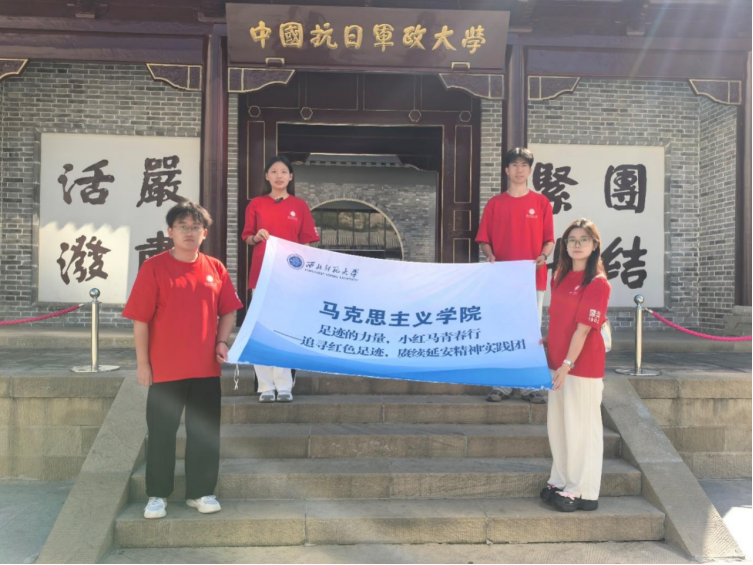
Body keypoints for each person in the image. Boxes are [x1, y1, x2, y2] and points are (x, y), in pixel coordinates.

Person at [123, 200, 243, 520]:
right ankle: (157, 495)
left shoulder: (215, 268)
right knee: (161, 433)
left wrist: (221, 341)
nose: (189, 232)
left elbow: (228, 310)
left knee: (204, 432)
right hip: (164, 369)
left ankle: (200, 493)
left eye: (195, 227)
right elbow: (140, 320)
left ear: (205, 233)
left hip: (205, 369)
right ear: (170, 232)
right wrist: (143, 364)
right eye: (182, 227)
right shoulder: (154, 268)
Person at [540, 218, 611, 512]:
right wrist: (548, 343)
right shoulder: (559, 276)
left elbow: (583, 330)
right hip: (557, 363)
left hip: (581, 366)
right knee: (559, 427)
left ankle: (583, 490)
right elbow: (560, 320)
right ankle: (560, 480)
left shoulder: (597, 283)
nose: (577, 244)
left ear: (594, 245)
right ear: (565, 245)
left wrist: (567, 364)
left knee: (582, 428)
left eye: (584, 239)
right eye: (572, 239)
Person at [476, 147, 555, 404]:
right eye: (514, 165)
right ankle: (502, 384)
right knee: (502, 329)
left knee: (531, 333)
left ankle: (529, 386)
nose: (519, 170)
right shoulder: (495, 204)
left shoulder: (541, 203)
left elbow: (549, 240)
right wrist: (490, 255)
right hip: (502, 279)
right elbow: (484, 240)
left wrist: (543, 256)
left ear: (530, 171)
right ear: (506, 170)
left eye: (524, 165)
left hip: (533, 278)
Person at [241, 156, 320, 403]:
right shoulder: (256, 204)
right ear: (266, 176)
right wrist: (257, 237)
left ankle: (285, 385)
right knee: (261, 330)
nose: (278, 176)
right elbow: (247, 237)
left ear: (290, 177)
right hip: (262, 274)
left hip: (290, 277)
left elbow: (306, 244)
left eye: (284, 171)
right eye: (273, 171)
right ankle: (265, 386)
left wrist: (305, 276)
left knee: (285, 330)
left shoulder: (300, 206)